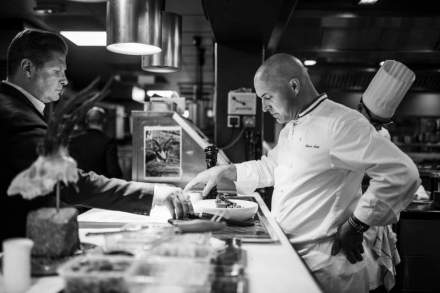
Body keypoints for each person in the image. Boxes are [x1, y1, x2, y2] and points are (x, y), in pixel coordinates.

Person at [184, 53, 420, 293]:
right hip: (294, 254)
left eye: (267, 97)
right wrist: (227, 170)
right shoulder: (290, 128)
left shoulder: (342, 123)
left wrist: (357, 224)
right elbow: (272, 167)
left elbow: (402, 173)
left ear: (294, 86)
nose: (264, 107)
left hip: (328, 266)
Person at [0, 28, 190, 244]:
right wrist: (154, 194)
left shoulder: (17, 108)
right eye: (56, 71)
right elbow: (66, 181)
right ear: (27, 68)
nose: (64, 80)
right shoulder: (14, 114)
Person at [358, 60, 427, 292]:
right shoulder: (347, 129)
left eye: (381, 124)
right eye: (374, 122)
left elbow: (401, 174)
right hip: (352, 215)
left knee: (374, 278)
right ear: (360, 110)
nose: (376, 128)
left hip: (373, 219)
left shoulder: (383, 135)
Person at [69, 106, 123, 179]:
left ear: (86, 121)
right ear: (104, 121)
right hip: (100, 187)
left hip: (79, 186)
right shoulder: (108, 142)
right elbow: (113, 171)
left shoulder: (74, 141)